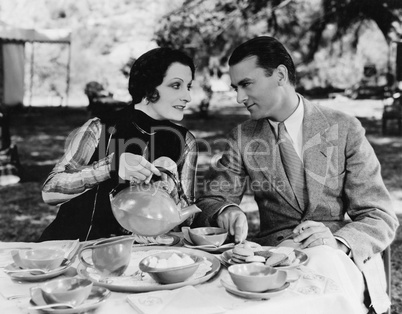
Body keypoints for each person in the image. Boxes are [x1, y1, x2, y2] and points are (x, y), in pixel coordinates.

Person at [193, 36, 399, 313]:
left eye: (246, 84)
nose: (239, 97)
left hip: (337, 261)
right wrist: (226, 211)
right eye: (235, 87)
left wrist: (339, 243)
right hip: (273, 264)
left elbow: (379, 216)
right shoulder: (242, 138)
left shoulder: (345, 128)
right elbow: (210, 200)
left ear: (280, 75)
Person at [40, 47, 198, 242]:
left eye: (188, 87)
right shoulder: (99, 127)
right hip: (76, 251)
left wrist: (171, 187)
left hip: (139, 259)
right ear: (149, 87)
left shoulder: (185, 142)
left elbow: (188, 219)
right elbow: (50, 191)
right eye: (176, 85)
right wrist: (112, 166)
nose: (188, 97)